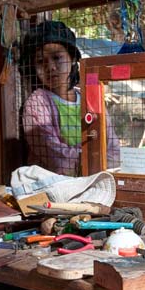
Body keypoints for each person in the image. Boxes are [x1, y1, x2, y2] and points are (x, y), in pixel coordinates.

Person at [20, 20, 119, 176]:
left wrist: (97, 162)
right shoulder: (36, 103)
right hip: (55, 186)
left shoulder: (91, 100)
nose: (50, 67)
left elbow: (113, 149)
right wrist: (96, 159)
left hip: (94, 182)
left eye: (57, 57)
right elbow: (57, 161)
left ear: (72, 59)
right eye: (40, 61)